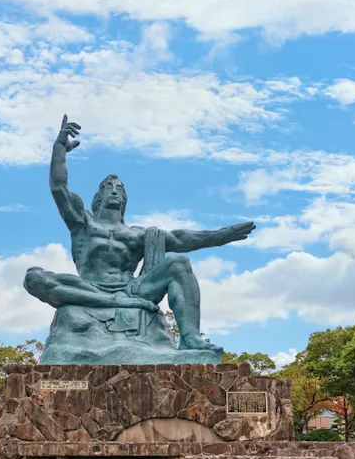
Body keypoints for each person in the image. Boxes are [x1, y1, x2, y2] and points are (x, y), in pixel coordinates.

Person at [24, 115, 256, 353]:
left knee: (178, 263)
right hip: (91, 287)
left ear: (124, 199)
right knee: (33, 277)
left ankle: (190, 338)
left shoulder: (137, 235)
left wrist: (222, 236)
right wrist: (59, 149)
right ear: (99, 197)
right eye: (108, 188)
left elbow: (182, 239)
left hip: (131, 289)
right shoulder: (83, 222)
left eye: (119, 189)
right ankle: (112, 303)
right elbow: (58, 187)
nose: (114, 191)